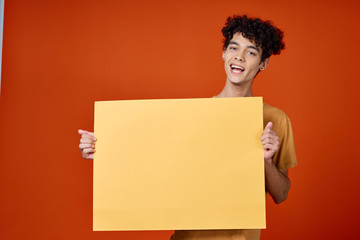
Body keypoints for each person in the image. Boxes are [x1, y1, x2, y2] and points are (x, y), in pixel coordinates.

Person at [78, 15, 297, 240]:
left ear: (263, 63)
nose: (239, 57)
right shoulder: (193, 116)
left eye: (251, 52)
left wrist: (266, 159)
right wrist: (104, 150)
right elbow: (151, 163)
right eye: (234, 47)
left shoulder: (275, 120)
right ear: (224, 53)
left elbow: (281, 195)